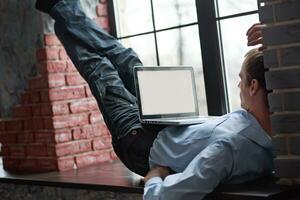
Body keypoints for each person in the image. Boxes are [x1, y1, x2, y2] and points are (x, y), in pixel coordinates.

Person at [35, 1, 273, 199]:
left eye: (241, 79)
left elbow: (166, 196)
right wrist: (273, 36)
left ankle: (63, 18)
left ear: (253, 87)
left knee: (103, 71)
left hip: (142, 145)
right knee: (127, 58)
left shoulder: (229, 149)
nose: (238, 85)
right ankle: (61, 10)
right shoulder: (258, 127)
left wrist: (155, 177)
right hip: (168, 128)